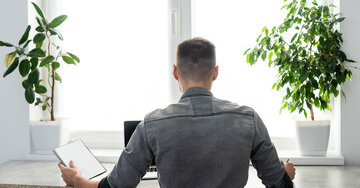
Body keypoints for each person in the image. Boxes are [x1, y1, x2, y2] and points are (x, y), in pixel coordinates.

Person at [58, 37, 296, 188]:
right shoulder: (248, 119)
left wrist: (79, 181)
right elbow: (279, 185)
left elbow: (117, 186)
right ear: (215, 72)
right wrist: (283, 176)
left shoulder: (152, 124)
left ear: (175, 72)